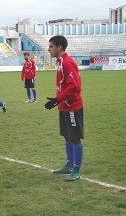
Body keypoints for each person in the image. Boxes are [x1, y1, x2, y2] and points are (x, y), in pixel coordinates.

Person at [45, 35, 84, 181]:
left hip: (72, 106)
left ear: (59, 47)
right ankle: (69, 164)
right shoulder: (60, 62)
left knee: (75, 139)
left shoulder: (67, 62)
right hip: (64, 106)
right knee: (67, 137)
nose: (48, 50)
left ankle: (76, 170)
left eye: (51, 47)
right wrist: (58, 101)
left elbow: (75, 86)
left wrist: (58, 99)